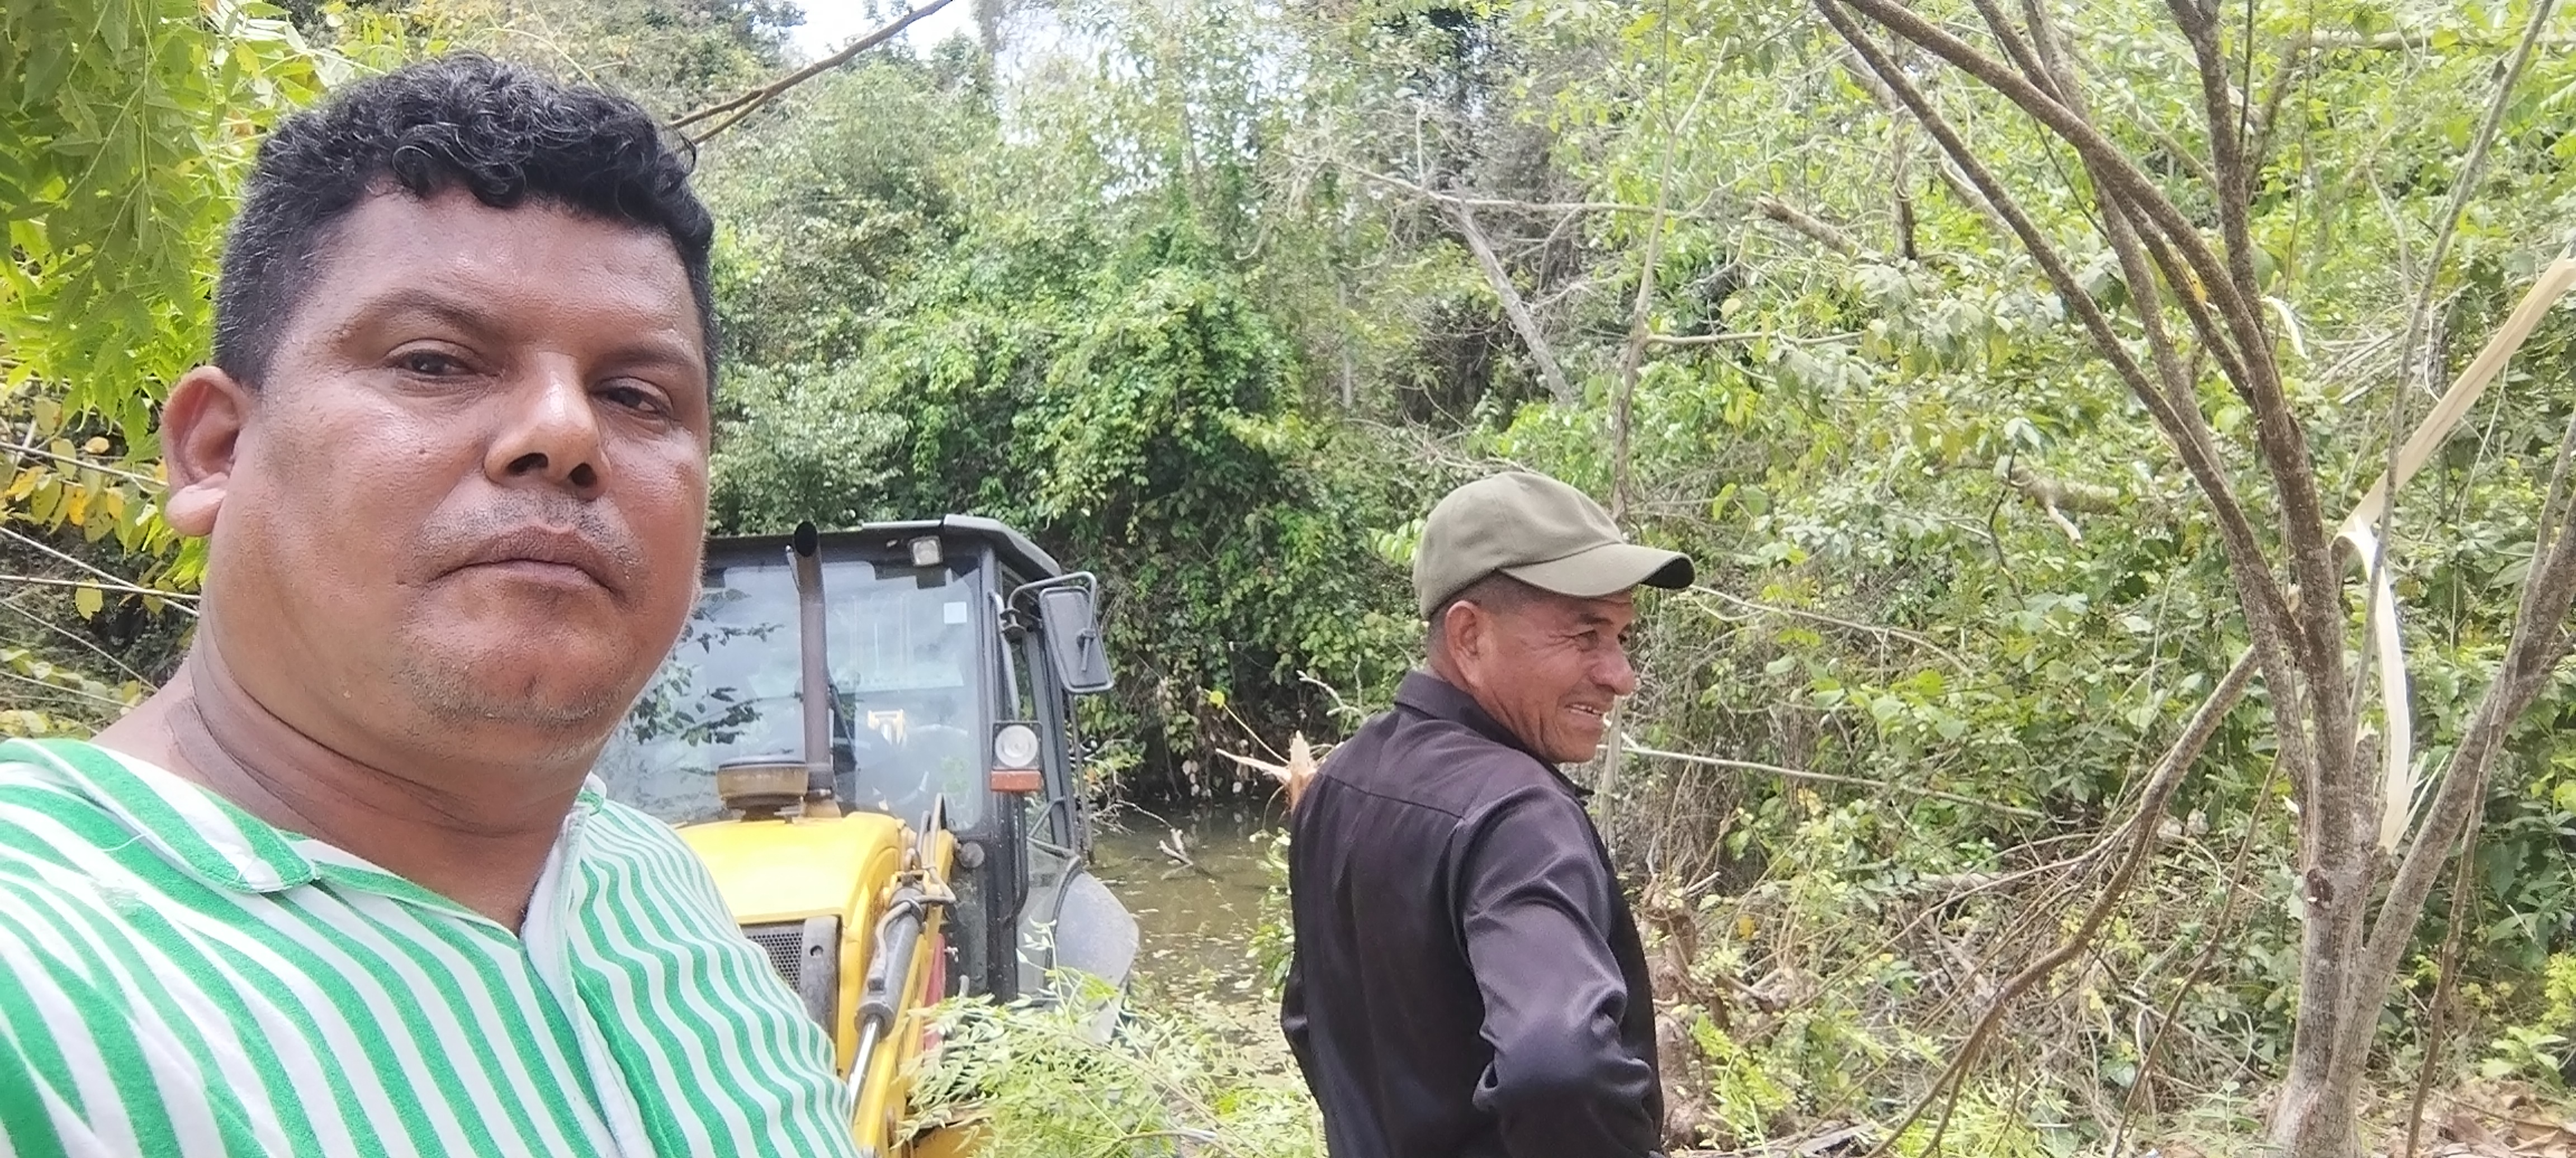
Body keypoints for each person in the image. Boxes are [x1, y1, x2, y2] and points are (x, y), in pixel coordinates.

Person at [0, 56, 863, 1156]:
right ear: (218, 450)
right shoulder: (40, 980)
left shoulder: (658, 894)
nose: (567, 433)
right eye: (434, 362)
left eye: (635, 395)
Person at [1282, 470, 1693, 1158]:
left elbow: (1308, 1015)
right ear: (1470, 636)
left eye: (1621, 636)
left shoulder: (1341, 780)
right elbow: (1558, 1068)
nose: (1621, 675)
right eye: (1586, 634)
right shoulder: (1520, 815)